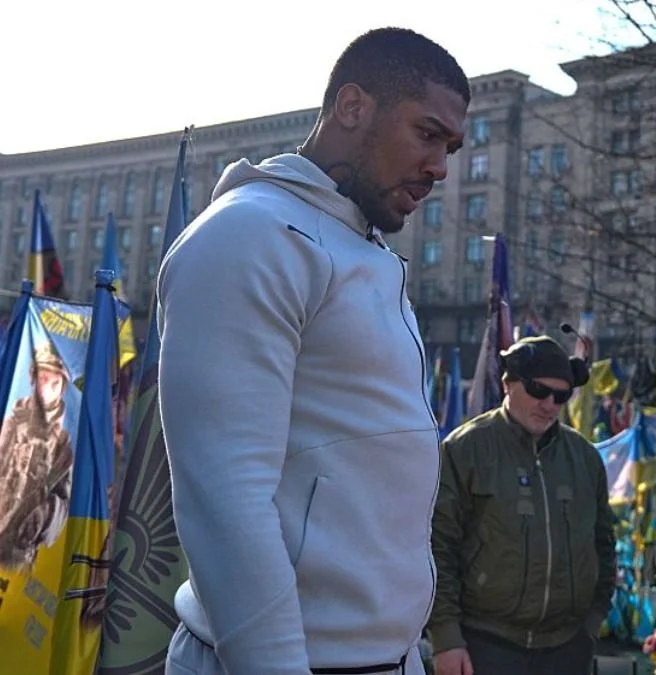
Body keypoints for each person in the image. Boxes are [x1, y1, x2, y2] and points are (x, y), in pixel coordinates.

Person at [157, 28, 469, 675]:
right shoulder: (249, 234)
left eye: (451, 146)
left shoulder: (365, 250)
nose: (441, 166)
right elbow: (225, 497)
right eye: (427, 134)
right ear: (352, 107)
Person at [428, 335, 617, 675]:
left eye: (561, 396)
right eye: (538, 390)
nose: (549, 404)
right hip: (484, 645)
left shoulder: (585, 458)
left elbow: (603, 544)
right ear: (508, 384)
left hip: (567, 647)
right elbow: (437, 547)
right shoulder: (464, 451)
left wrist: (592, 623)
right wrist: (446, 639)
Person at [0, 342, 73, 570]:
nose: (47, 389)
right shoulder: (10, 420)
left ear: (62, 387)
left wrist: (45, 515)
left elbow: (65, 502)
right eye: (43, 379)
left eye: (55, 383)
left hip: (18, 555)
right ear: (33, 379)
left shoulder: (63, 444)